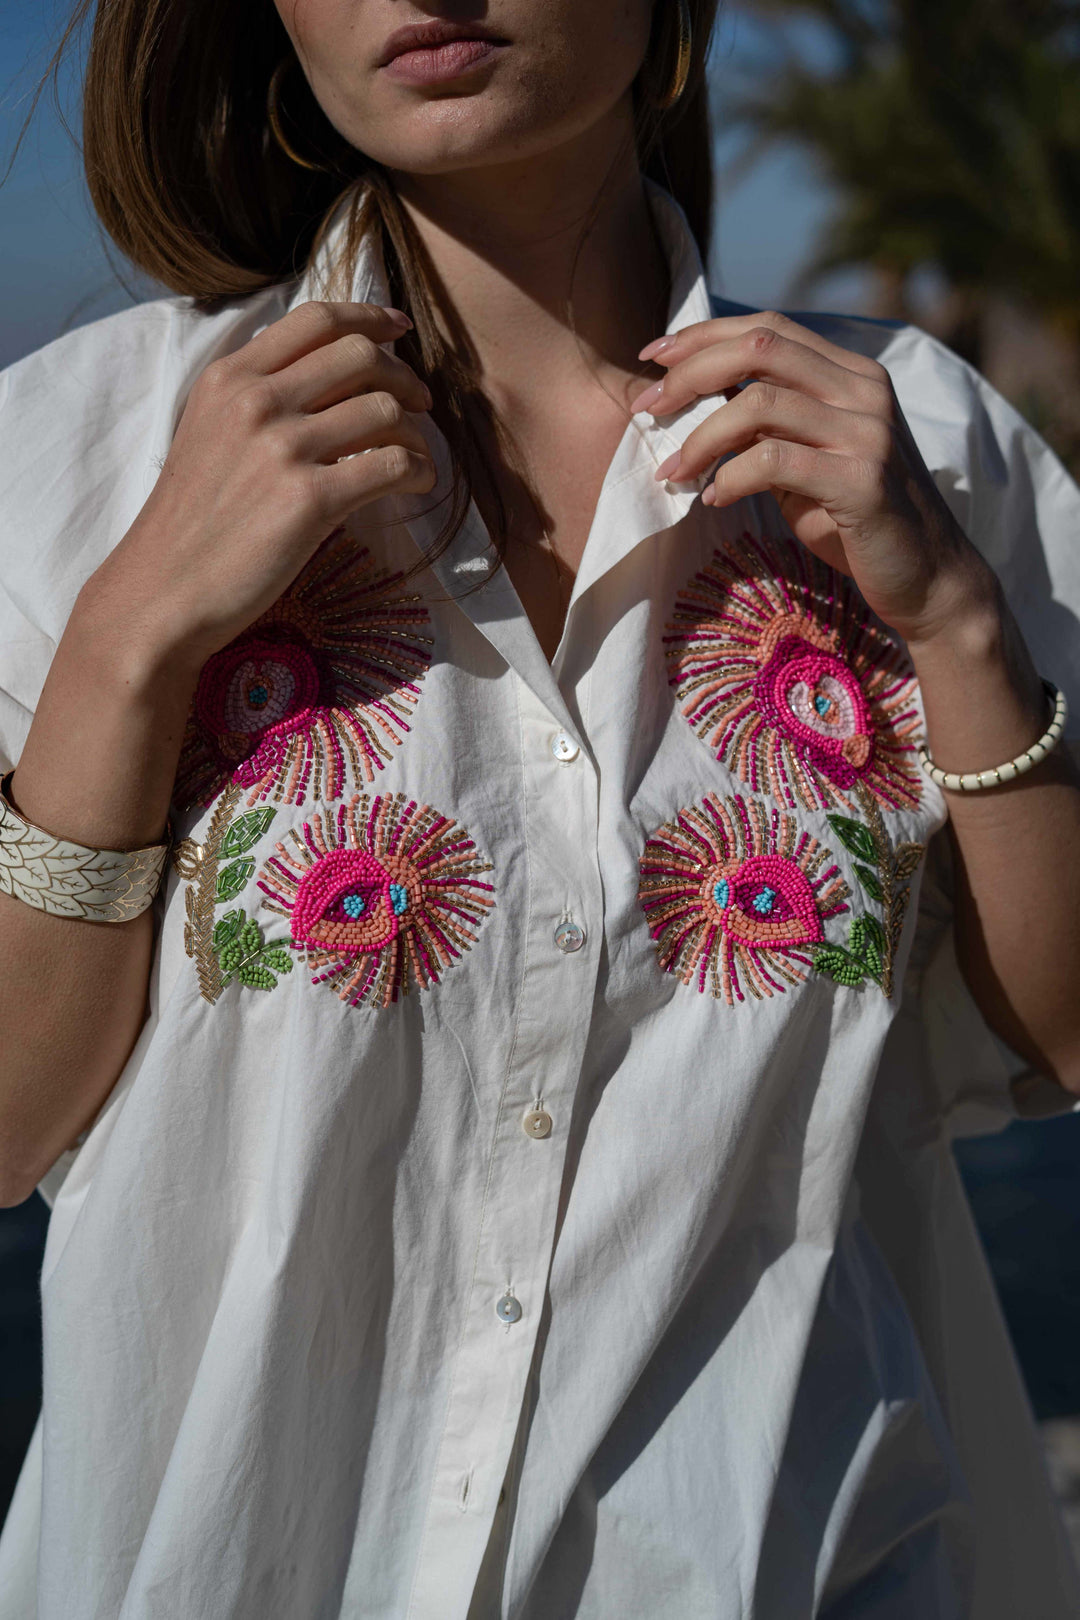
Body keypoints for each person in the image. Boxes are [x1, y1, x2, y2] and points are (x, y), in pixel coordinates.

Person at [0, 0, 1078, 1614]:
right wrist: (127, 642)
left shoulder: (921, 444)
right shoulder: (69, 457)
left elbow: (1053, 1046)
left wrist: (960, 627)